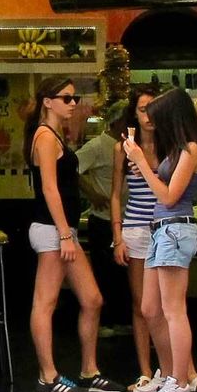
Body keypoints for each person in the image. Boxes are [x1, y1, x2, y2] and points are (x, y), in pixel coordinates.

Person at [25, 77, 121, 392]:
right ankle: (47, 376)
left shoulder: (57, 137)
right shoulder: (45, 137)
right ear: (47, 102)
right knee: (46, 301)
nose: (72, 103)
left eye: (74, 98)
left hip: (64, 230)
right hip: (54, 230)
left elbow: (67, 182)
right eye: (66, 98)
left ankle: (89, 370)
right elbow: (49, 188)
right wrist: (65, 232)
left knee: (92, 299)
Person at [122, 88, 197, 392]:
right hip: (160, 229)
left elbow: (170, 196)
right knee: (150, 308)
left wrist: (142, 165)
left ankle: (179, 382)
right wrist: (143, 168)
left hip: (175, 228)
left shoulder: (191, 150)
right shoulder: (178, 150)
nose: (151, 122)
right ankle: (169, 373)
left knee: (173, 310)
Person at [111, 85, 161, 392]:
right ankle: (145, 371)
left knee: (167, 304)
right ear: (134, 112)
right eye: (142, 109)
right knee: (141, 304)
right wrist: (117, 236)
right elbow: (116, 193)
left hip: (166, 227)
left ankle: (171, 370)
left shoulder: (172, 145)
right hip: (136, 227)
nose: (148, 116)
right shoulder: (123, 147)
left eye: (153, 109)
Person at [77, 106, 128, 328]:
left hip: (128, 219)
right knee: (105, 273)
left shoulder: (131, 146)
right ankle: (104, 322)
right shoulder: (97, 146)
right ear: (117, 122)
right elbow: (71, 168)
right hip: (103, 219)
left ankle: (121, 319)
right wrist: (92, 193)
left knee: (123, 275)